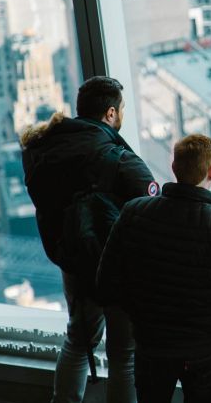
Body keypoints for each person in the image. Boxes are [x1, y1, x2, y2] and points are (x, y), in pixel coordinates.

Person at [97, 134, 211, 403]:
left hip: (151, 343)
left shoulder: (134, 212)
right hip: (205, 347)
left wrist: (140, 314)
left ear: (174, 167)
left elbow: (107, 281)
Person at [21, 76, 159, 403]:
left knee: (79, 340)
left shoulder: (46, 147)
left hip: (73, 260)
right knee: (124, 353)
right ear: (111, 114)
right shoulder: (116, 157)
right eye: (121, 109)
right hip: (116, 265)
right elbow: (154, 209)